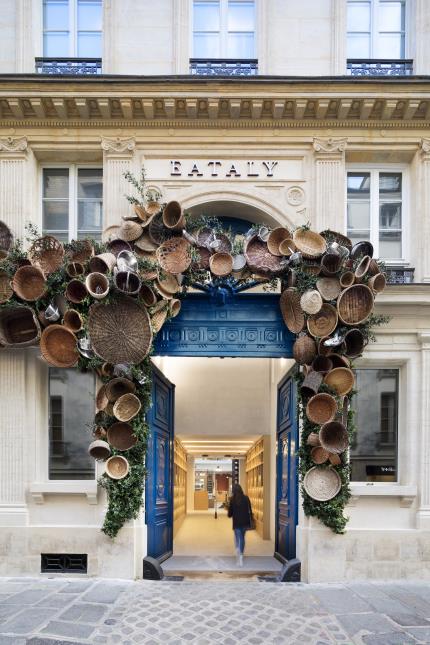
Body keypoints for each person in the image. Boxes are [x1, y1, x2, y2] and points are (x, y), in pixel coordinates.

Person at [228, 483, 254, 567]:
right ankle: (241, 555)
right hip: (245, 522)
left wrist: (230, 514)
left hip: (237, 522)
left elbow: (230, 513)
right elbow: (250, 509)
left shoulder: (232, 499)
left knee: (237, 537)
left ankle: (237, 551)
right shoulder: (246, 498)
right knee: (242, 538)